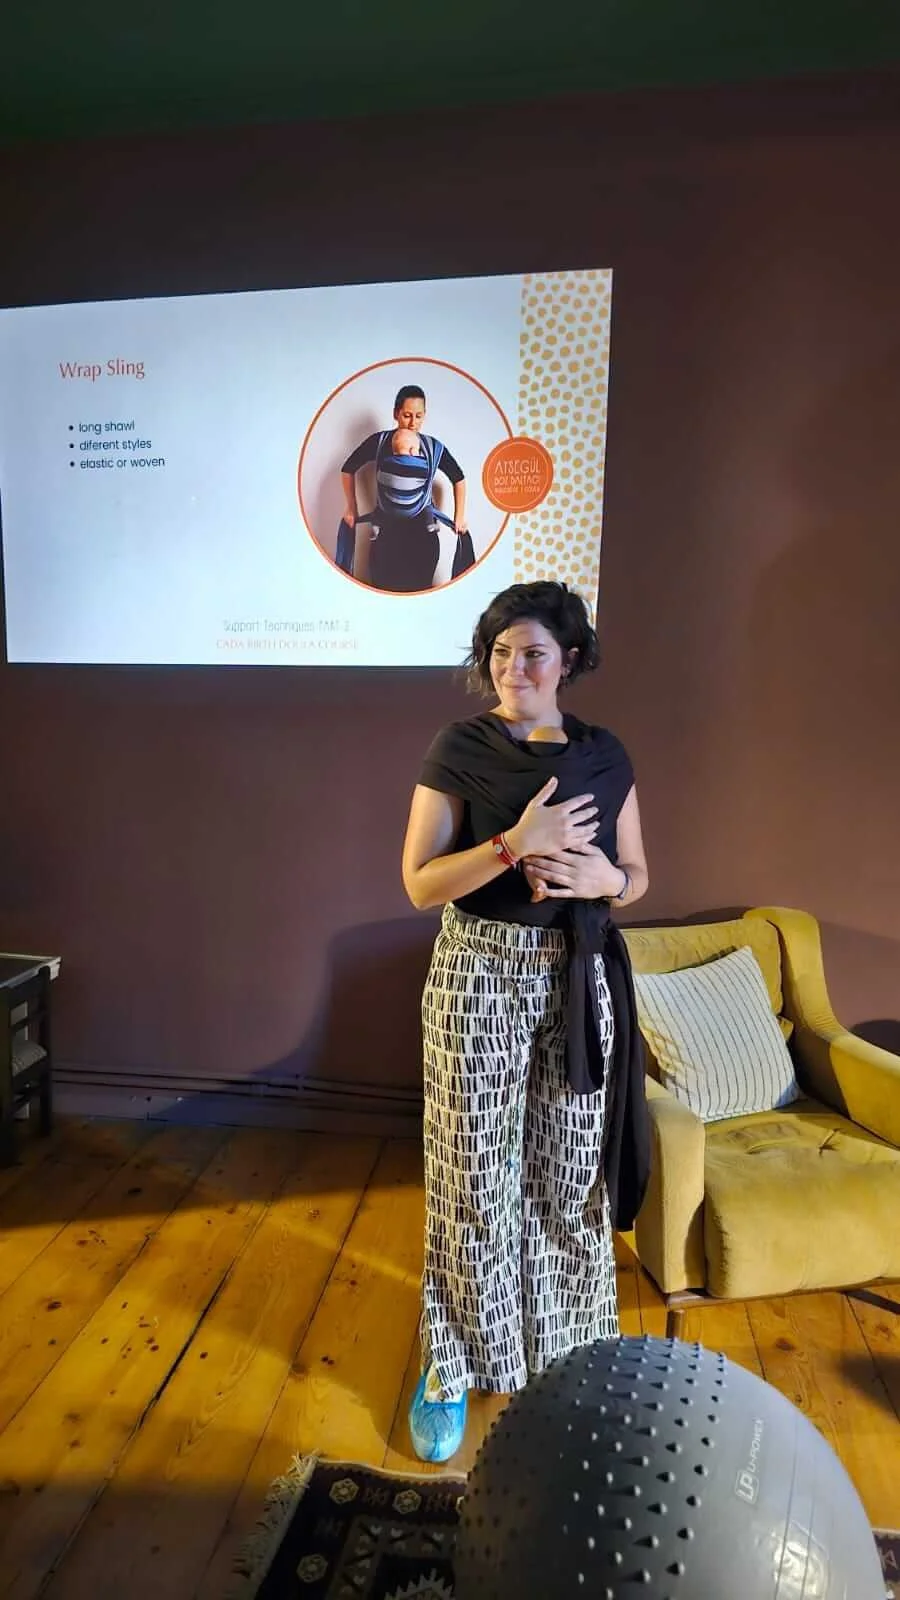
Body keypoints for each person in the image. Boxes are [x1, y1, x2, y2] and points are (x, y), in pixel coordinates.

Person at [401, 580, 651, 1462]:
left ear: (569, 660)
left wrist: (608, 883)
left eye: (533, 653)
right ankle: (452, 1362)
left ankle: (569, 1358)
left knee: (571, 1178)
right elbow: (420, 883)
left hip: (577, 976)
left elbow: (636, 873)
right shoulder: (459, 747)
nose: (514, 669)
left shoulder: (606, 754)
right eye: (501, 653)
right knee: (471, 1176)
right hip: (478, 972)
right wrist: (516, 842)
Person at [339, 385, 470, 591]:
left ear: (425, 415)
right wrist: (351, 507)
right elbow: (348, 469)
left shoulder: (432, 448)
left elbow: (458, 477)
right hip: (386, 536)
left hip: (423, 537)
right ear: (396, 413)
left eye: (419, 416)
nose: (413, 423)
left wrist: (459, 516)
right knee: (383, 594)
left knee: (420, 595)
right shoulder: (380, 442)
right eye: (407, 415)